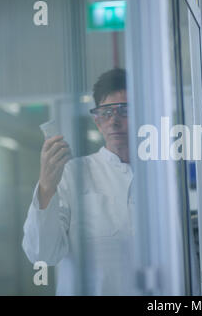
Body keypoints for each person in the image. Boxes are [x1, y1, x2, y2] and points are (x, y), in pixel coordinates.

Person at [22, 68, 136, 295]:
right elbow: (42, 255)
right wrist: (46, 186)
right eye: (106, 113)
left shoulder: (162, 178)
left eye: (123, 111)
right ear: (97, 122)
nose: (114, 121)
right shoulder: (73, 173)